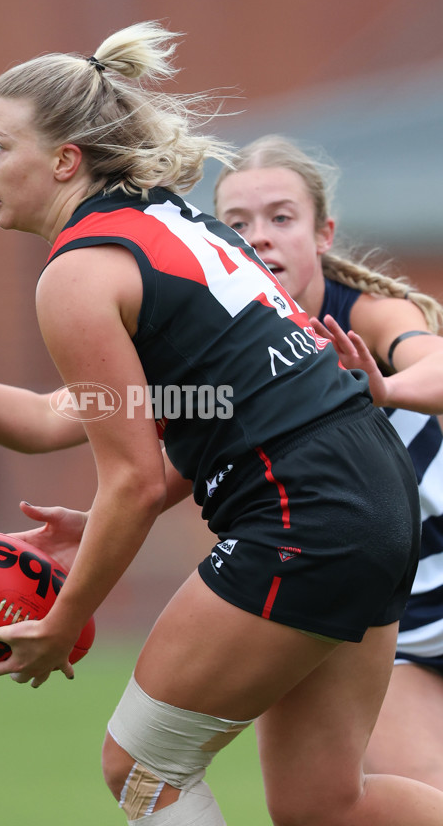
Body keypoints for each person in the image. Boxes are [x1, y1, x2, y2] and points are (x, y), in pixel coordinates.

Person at [0, 22, 443, 826]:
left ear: (65, 161)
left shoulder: (78, 274)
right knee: (324, 805)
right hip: (377, 499)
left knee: (140, 767)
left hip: (307, 518)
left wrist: (62, 622)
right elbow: (76, 415)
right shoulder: (167, 223)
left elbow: (129, 481)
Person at [213, 134, 443, 794]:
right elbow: (89, 418)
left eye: (281, 217)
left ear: (323, 233)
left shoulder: (363, 314)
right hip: (392, 621)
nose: (260, 237)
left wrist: (387, 388)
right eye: (237, 225)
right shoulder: (227, 350)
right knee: (388, 794)